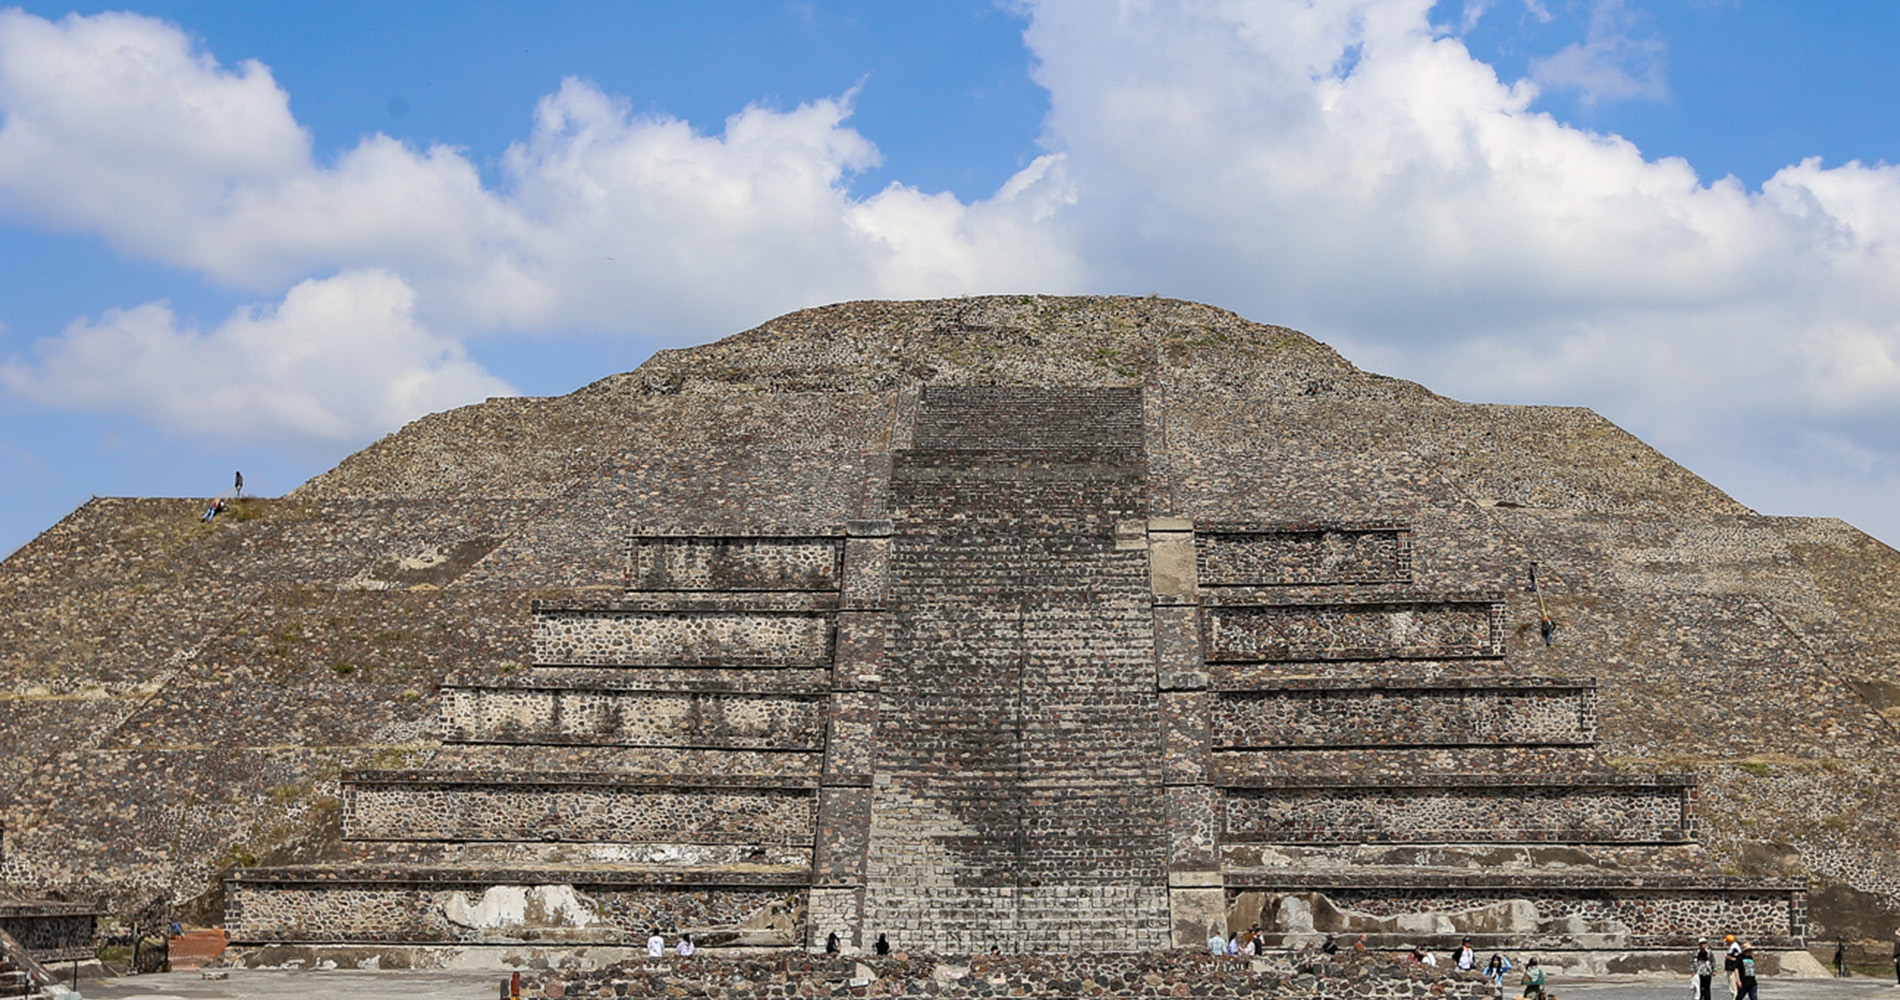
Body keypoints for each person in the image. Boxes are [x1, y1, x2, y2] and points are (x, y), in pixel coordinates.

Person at [1724, 936, 1742, 1000]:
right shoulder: (1733, 947)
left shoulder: (1735, 948)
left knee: (1733, 987)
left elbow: (1736, 959)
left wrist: (1728, 957)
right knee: (1732, 986)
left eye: (1727, 941)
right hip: (1730, 969)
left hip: (1732, 969)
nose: (1726, 943)